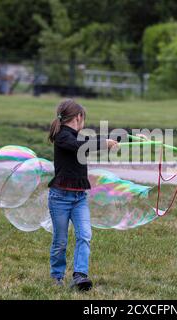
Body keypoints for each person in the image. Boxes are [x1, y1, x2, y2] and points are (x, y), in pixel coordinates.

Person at [47, 99, 118, 291]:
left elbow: (83, 142)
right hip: (60, 198)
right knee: (60, 241)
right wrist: (104, 143)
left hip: (79, 198)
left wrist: (112, 141)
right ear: (79, 117)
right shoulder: (62, 136)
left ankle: (80, 275)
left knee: (85, 235)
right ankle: (56, 276)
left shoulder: (77, 137)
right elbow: (79, 145)